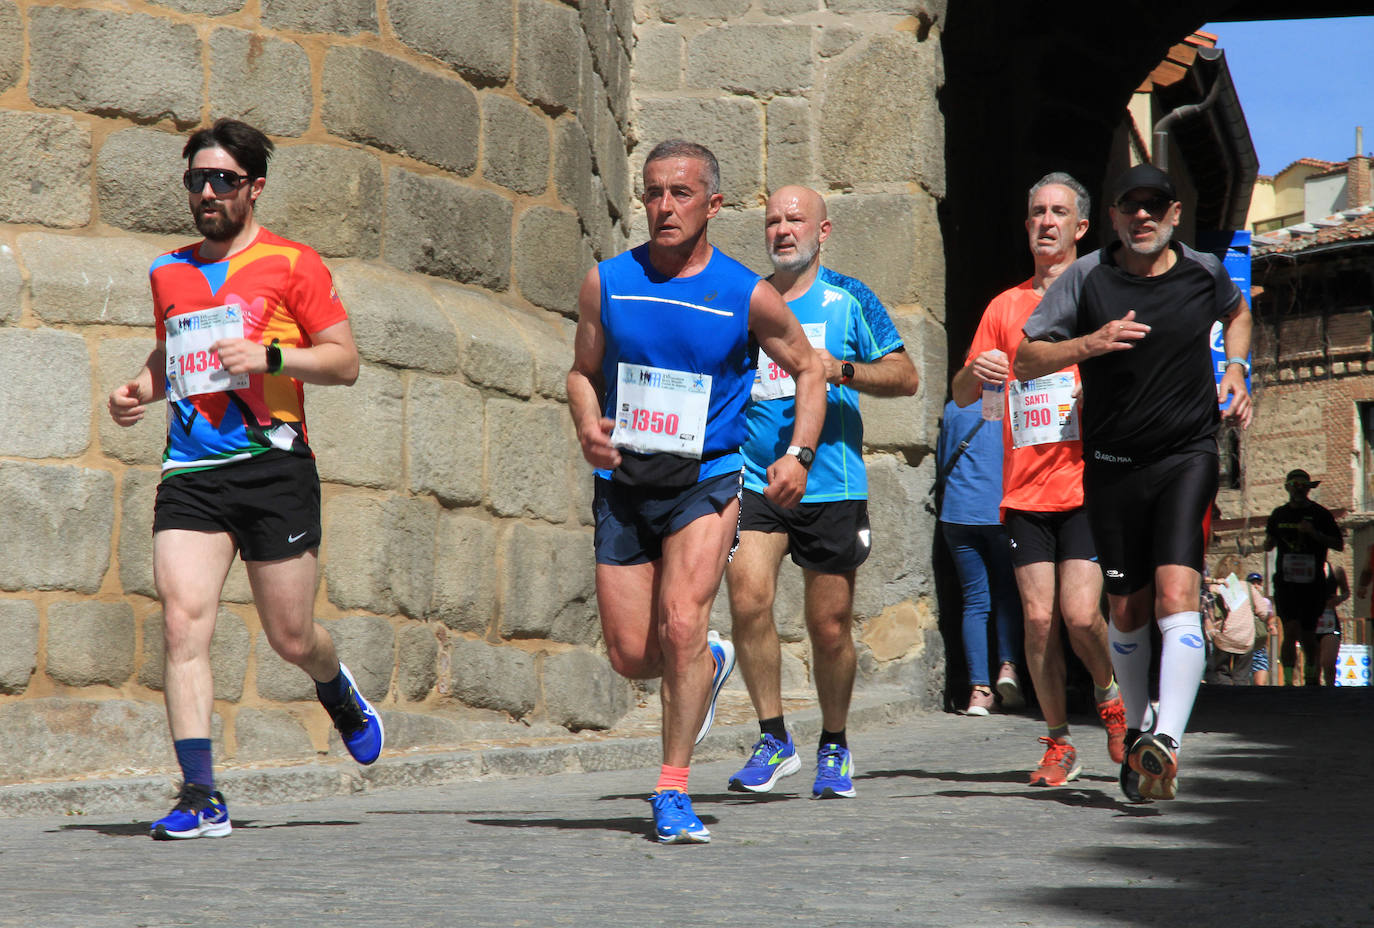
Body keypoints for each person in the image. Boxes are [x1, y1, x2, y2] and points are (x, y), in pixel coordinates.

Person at [107, 119, 381, 840]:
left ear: (254, 188)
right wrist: (139, 389)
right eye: (197, 179)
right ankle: (200, 793)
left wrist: (271, 359)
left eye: (223, 180)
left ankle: (334, 685)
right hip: (192, 470)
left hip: (273, 466)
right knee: (180, 620)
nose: (207, 192)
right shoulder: (168, 270)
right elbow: (173, 353)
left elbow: (344, 361)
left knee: (291, 637)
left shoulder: (295, 263)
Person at [567, 142, 825, 842]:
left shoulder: (745, 293)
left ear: (712, 205)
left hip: (707, 478)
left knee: (681, 622)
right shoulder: (608, 282)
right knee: (631, 654)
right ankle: (710, 663)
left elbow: (807, 369)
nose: (663, 207)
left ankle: (672, 788)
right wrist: (590, 425)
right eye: (653, 192)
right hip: (624, 482)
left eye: (680, 193)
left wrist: (798, 454)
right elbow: (582, 372)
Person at [1014, 162, 1253, 802]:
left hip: (1187, 452)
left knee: (1178, 591)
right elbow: (1027, 357)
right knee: (1125, 609)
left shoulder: (1204, 270)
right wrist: (1092, 343)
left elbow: (1239, 310)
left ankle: (1167, 740)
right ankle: (1144, 727)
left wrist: (1237, 370)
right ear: (1114, 217)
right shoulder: (1088, 277)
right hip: (1114, 464)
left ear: (1175, 214)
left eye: (1156, 205)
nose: (1143, 215)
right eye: (1131, 206)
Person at [722, 186, 918, 799]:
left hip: (831, 480)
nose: (782, 230)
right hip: (757, 478)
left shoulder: (849, 297)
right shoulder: (748, 300)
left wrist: (842, 369)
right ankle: (774, 738)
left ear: (822, 231)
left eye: (795, 220)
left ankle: (834, 743)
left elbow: (906, 376)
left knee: (829, 625)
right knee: (748, 597)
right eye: (773, 221)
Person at [950, 172, 1125, 788]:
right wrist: (980, 370)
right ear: (1027, 227)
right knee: (1038, 621)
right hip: (1025, 489)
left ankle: (1109, 694)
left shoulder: (1101, 296)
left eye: (1058, 213)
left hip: (1085, 486)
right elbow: (965, 395)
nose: (1046, 222)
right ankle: (1057, 741)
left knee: (1080, 616)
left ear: (1081, 228)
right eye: (1036, 213)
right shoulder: (1005, 307)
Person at [936, 398, 1023, 717]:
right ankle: (1008, 668)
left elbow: (943, 458)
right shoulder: (1015, 401)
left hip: (957, 514)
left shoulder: (954, 406)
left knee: (975, 600)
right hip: (1000, 511)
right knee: (1006, 594)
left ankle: (979, 692)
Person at [1264, 468, 1345, 687]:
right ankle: (1288, 681)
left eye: (1302, 486)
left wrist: (1314, 534)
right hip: (1286, 583)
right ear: (1287, 488)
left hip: (1312, 585)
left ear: (1309, 488)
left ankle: (1311, 676)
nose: (1298, 490)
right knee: (1290, 629)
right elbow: (1270, 540)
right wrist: (1267, 544)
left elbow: (1339, 544)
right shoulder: (1278, 514)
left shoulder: (1321, 514)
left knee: (1308, 635)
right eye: (1294, 486)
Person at [1316, 562, 1349, 686]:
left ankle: (1330, 692)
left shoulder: (1336, 570)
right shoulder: (1306, 566)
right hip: (1310, 621)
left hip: (1329, 620)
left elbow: (1346, 592)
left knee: (1329, 663)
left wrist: (1339, 599)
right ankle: (1311, 696)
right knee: (1314, 665)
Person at [1246, 572, 1277, 686]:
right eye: (1252, 583)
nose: (1255, 585)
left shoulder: (1266, 602)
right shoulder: (1244, 601)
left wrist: (1271, 626)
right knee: (1246, 681)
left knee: (1260, 683)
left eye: (1258, 583)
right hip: (1246, 645)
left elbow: (1270, 618)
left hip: (1260, 647)